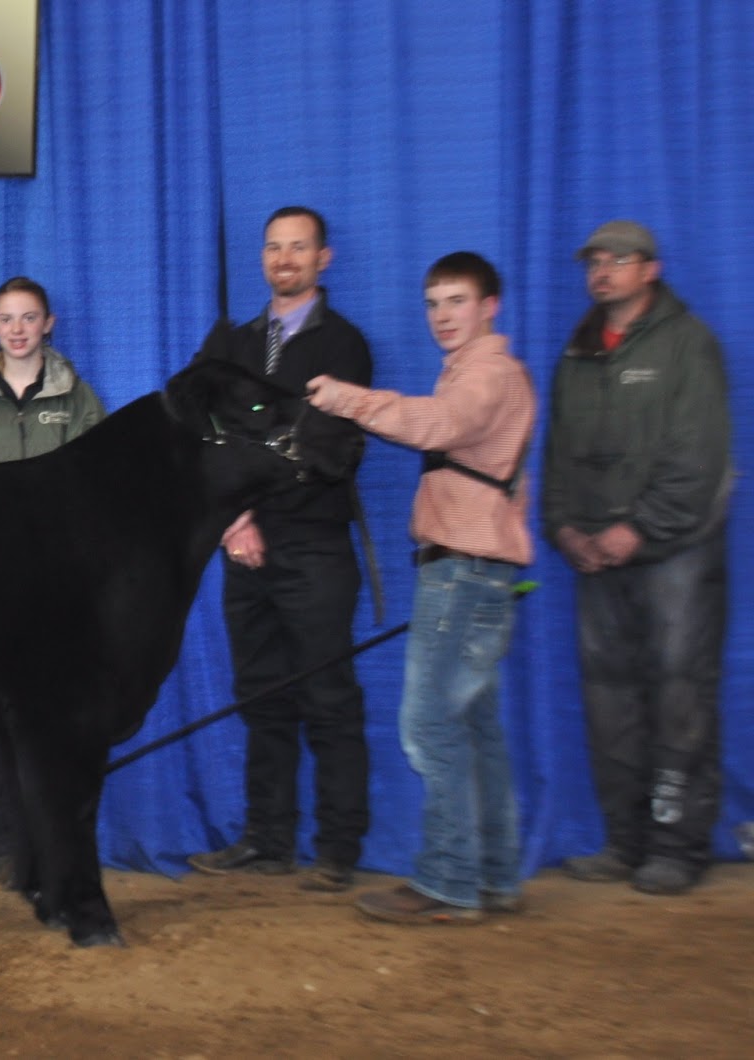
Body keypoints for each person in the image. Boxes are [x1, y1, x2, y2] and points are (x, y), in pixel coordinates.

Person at [306, 250, 535, 924]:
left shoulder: (488, 374)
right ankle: (492, 874)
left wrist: (348, 399)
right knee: (473, 727)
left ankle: (448, 880)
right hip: (477, 569)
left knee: (429, 724)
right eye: (433, 303)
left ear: (490, 306)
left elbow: (443, 425)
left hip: (463, 570)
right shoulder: (475, 371)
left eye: (456, 301)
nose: (442, 316)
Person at [543, 221, 732, 897]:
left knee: (680, 694)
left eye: (617, 260)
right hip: (597, 558)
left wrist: (638, 528)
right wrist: (565, 528)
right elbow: (558, 454)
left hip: (675, 554)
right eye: (594, 261)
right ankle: (624, 842)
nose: (602, 271)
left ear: (650, 270)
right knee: (609, 701)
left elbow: (698, 457)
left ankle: (678, 848)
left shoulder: (688, 344)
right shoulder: (578, 350)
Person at [186, 207, 372, 892]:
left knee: (328, 697)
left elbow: (329, 449)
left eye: (298, 247)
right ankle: (268, 839)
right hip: (242, 546)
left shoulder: (343, 346)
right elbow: (202, 432)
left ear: (324, 258)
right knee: (261, 697)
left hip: (313, 545)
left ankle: (338, 850)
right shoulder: (233, 344)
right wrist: (235, 520)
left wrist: (254, 509)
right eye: (273, 247)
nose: (284, 258)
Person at [0, 276, 105, 886]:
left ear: (48, 324)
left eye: (29, 317)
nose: (17, 329)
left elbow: (99, 494)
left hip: (58, 591)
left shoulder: (80, 401)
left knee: (55, 723)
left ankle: (50, 842)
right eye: (6, 319)